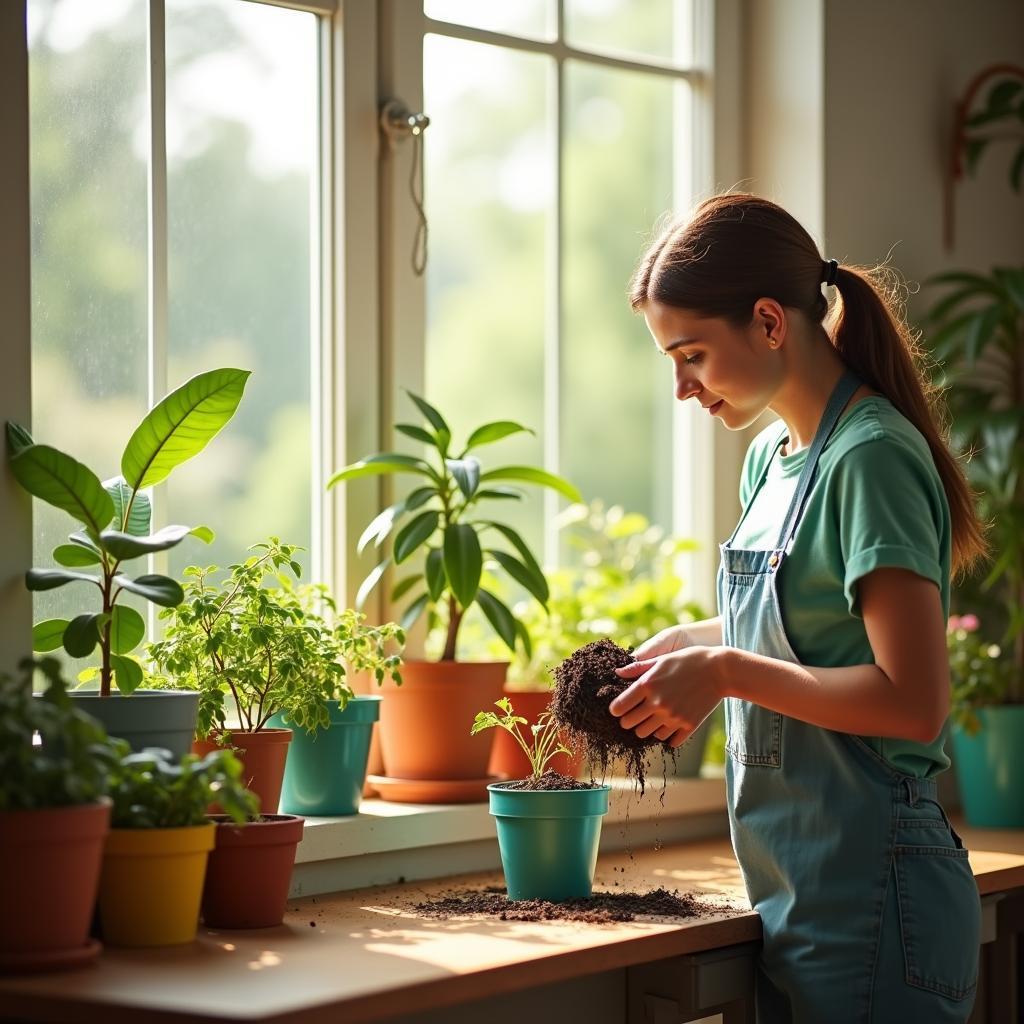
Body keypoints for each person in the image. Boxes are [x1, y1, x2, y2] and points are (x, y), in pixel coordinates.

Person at [612, 194, 985, 1023]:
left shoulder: (873, 458)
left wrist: (726, 668)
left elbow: (913, 701)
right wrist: (697, 642)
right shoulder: (770, 462)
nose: (681, 388)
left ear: (771, 323)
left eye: (693, 355)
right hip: (795, 894)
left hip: (879, 899)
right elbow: (815, 628)